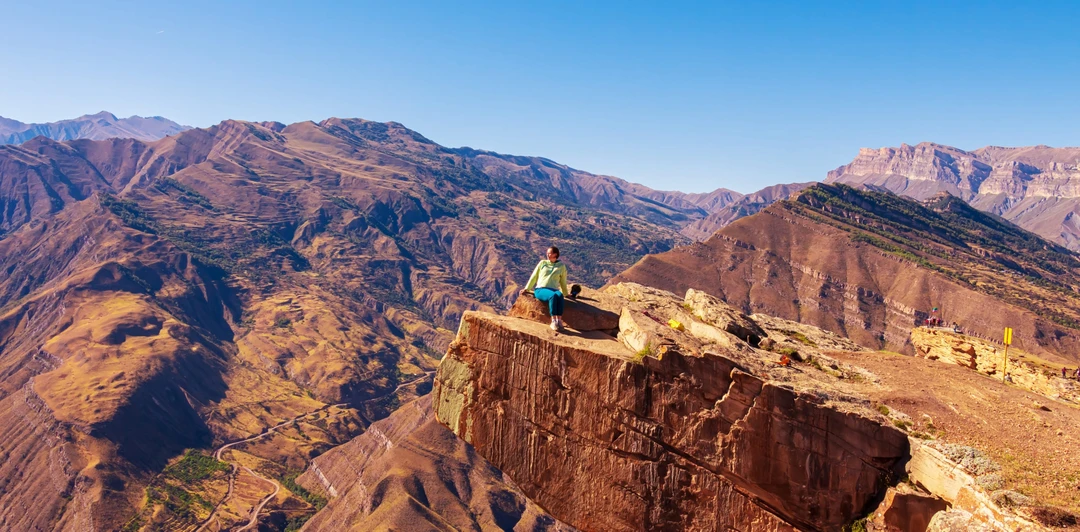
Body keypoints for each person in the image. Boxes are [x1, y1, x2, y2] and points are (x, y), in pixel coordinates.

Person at [521, 246, 569, 331]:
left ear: (555, 254)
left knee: (560, 296)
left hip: (554, 289)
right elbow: (534, 276)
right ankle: (553, 321)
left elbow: (563, 281)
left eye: (549, 253)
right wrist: (527, 288)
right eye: (547, 253)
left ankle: (559, 320)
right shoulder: (542, 263)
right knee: (553, 296)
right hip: (540, 289)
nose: (547, 254)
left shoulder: (561, 266)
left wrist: (565, 293)